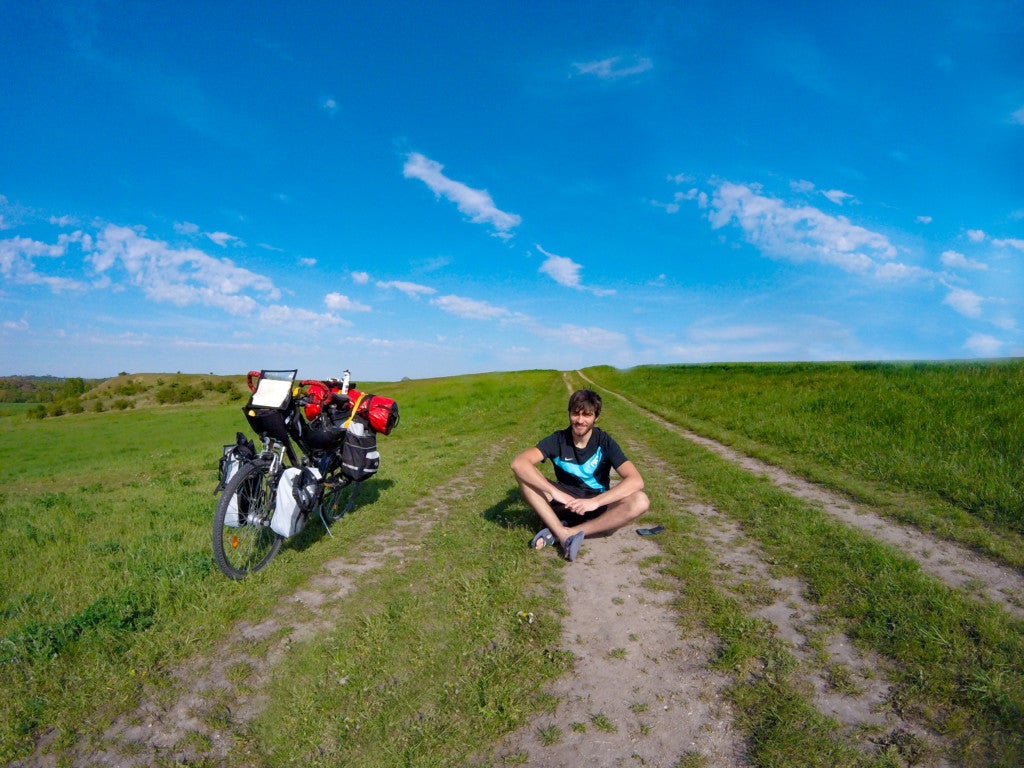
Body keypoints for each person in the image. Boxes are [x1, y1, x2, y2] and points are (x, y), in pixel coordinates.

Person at [511, 388, 649, 561]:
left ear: (596, 417)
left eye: (587, 415)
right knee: (524, 476)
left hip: (595, 506)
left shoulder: (605, 442)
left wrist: (594, 502)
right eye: (576, 414)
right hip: (564, 502)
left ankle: (564, 532)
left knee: (640, 500)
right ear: (569, 414)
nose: (580, 420)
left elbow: (636, 480)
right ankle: (562, 532)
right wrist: (555, 493)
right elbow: (519, 463)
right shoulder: (558, 439)